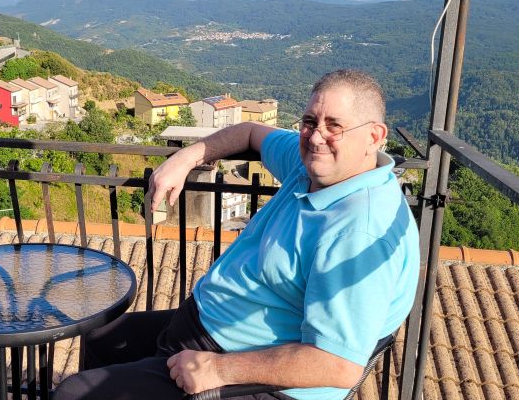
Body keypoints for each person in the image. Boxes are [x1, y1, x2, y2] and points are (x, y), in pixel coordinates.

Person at [53, 69, 420, 400]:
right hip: (205, 326)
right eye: (310, 121)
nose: (315, 137)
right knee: (99, 336)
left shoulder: (360, 231)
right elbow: (249, 132)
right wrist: (187, 158)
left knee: (73, 394)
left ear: (374, 136)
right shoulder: (312, 168)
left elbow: (338, 365)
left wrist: (217, 369)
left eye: (334, 125)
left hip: (243, 371)